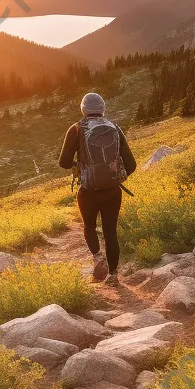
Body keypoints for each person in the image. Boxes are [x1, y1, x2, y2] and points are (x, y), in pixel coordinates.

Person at [58, 92, 136, 284]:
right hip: (112, 190)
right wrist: (118, 175)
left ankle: (97, 256)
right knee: (111, 231)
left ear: (83, 109)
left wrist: (79, 166)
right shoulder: (115, 128)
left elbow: (63, 162)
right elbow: (132, 164)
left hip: (88, 191)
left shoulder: (76, 129)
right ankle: (113, 275)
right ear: (102, 109)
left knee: (89, 226)